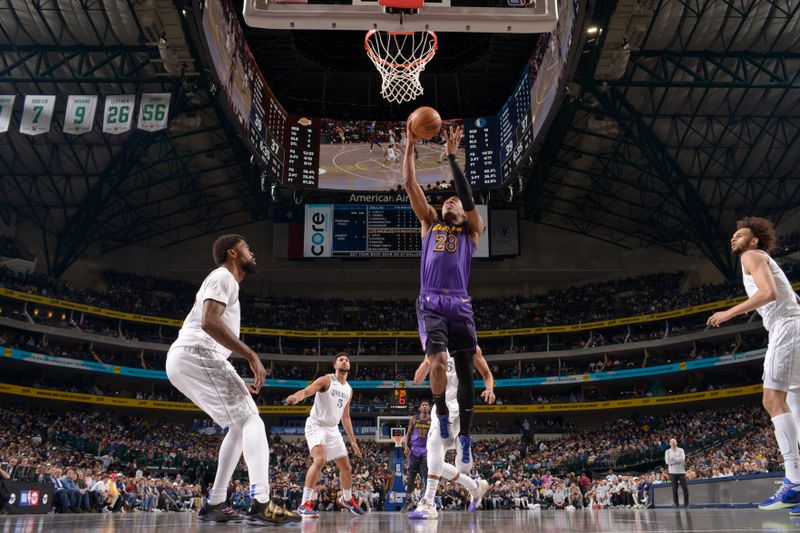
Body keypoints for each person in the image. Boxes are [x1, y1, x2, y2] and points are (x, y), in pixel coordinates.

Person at [165, 234, 300, 526]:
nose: (253, 253)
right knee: (252, 419)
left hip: (190, 358)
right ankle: (262, 502)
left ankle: (215, 502)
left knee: (239, 425)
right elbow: (209, 322)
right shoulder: (223, 276)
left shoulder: (227, 283)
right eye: (247, 249)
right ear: (232, 253)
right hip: (198, 353)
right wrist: (251, 356)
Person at [403, 123, 485, 470]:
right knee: (437, 362)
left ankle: (465, 437)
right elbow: (410, 185)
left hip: (460, 303)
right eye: (446, 201)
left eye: (454, 201)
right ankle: (439, 408)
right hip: (432, 300)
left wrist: (453, 159)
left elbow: (466, 198)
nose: (450, 202)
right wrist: (409, 144)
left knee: (466, 373)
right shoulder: (430, 223)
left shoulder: (472, 231)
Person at [707, 217, 800, 514]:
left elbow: (768, 293)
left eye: (740, 235)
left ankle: (794, 484)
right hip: (793, 325)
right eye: (732, 236)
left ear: (754, 240)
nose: (733, 239)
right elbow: (791, 295)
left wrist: (729, 313)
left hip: (786, 328)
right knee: (794, 404)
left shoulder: (752, 255)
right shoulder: (764, 259)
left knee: (772, 400)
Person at [408, 347, 494, 519]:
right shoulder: (436, 347)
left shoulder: (470, 346)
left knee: (433, 450)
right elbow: (417, 379)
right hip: (439, 406)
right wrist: (428, 360)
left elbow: (487, 373)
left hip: (458, 407)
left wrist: (489, 389)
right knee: (434, 459)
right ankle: (474, 486)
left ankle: (429, 502)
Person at [286, 352, 365, 518]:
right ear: (335, 365)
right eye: (341, 360)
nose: (344, 361)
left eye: (347, 360)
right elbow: (307, 391)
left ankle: (347, 499)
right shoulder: (326, 380)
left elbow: (345, 416)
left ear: (349, 366)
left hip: (333, 429)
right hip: (317, 425)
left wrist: (353, 441)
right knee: (320, 459)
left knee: (346, 467)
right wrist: (297, 396)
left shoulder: (349, 389)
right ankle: (304, 504)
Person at [402, 401, 431, 511]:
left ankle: (426, 500)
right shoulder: (414, 418)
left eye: (426, 405)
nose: (424, 406)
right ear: (419, 408)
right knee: (411, 476)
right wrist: (405, 446)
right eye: (423, 405)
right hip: (414, 449)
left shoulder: (432, 420)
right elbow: (408, 434)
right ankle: (409, 500)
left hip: (426, 450)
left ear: (429, 408)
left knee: (426, 475)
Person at [665, 438, 688, 507]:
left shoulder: (681, 450)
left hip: (681, 472)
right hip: (672, 472)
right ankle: (676, 503)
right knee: (674, 489)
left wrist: (673, 459)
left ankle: (686, 504)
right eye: (671, 442)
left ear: (676, 443)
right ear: (669, 444)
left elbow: (683, 459)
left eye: (674, 442)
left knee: (685, 488)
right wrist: (677, 459)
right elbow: (667, 462)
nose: (673, 443)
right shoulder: (667, 451)